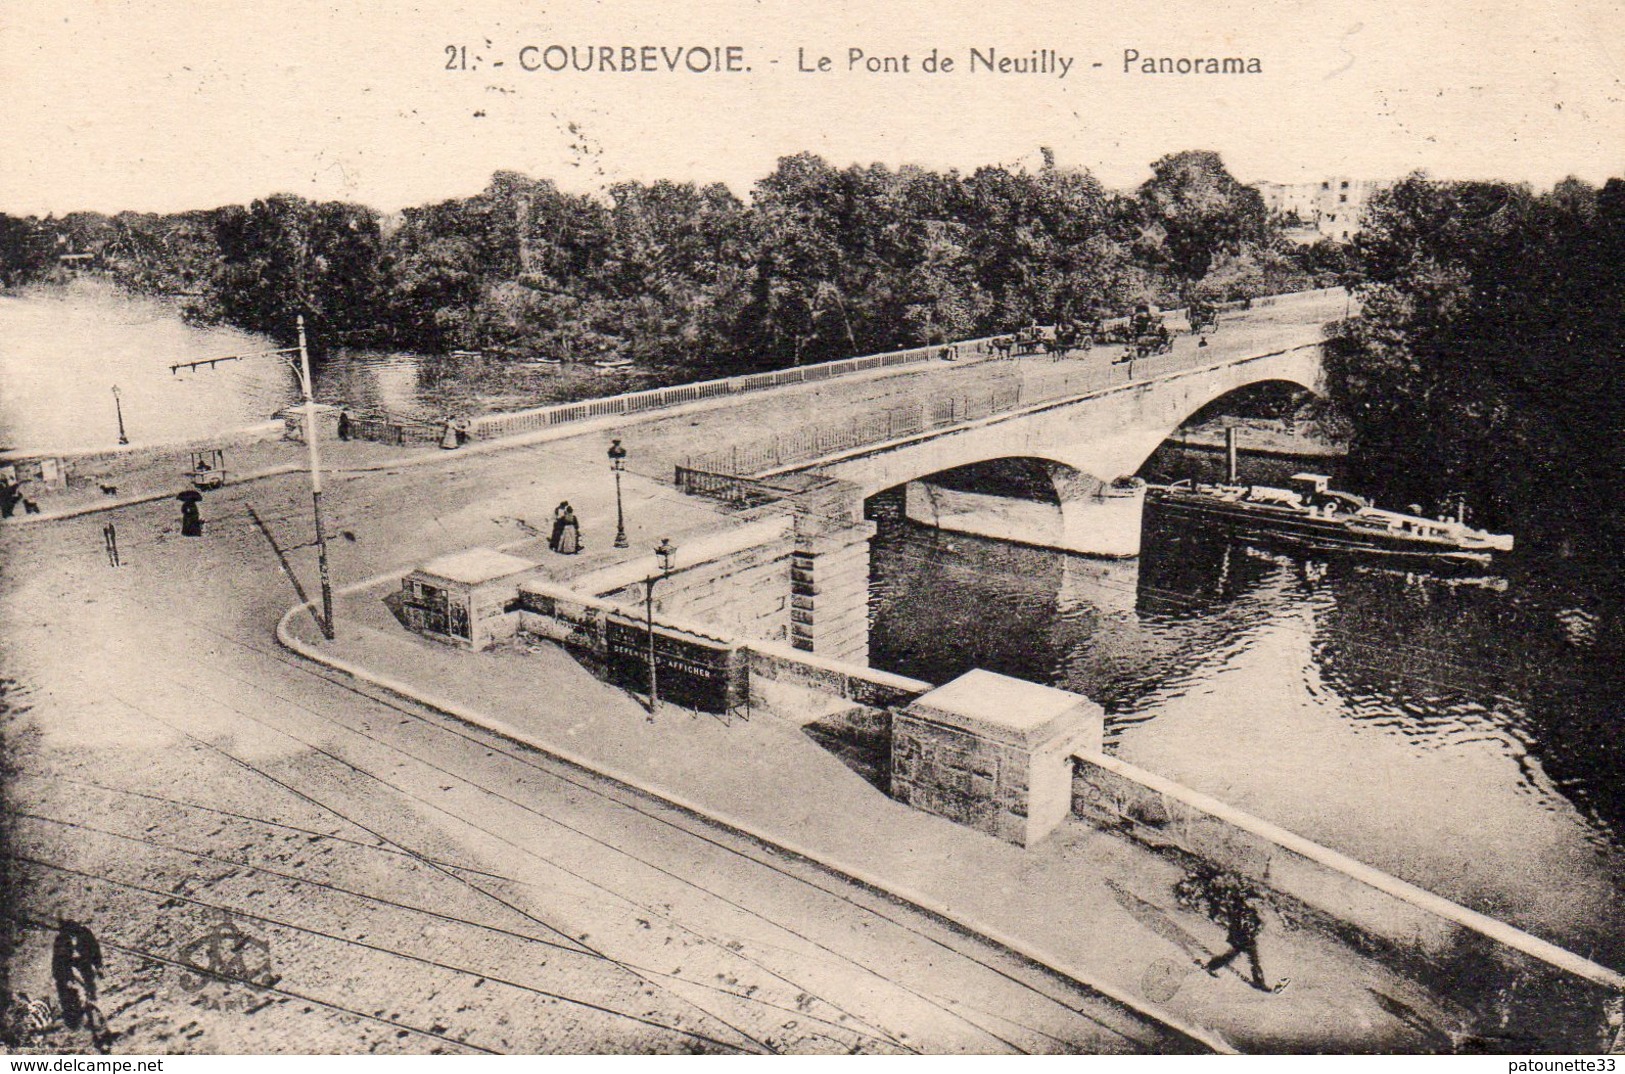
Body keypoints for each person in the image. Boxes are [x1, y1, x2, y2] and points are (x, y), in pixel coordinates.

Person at [1203, 886, 1288, 992]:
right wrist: (1249, 935)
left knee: (1233, 957)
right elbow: (1241, 926)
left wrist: (1257, 928)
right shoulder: (1243, 913)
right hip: (1243, 940)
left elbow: (1255, 924)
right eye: (1251, 901)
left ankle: (1211, 966)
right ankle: (1259, 982)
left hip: (1242, 939)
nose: (1254, 903)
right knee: (1252, 960)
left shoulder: (1246, 911)